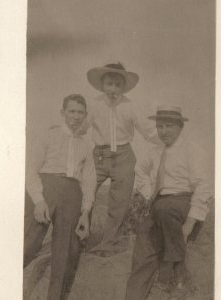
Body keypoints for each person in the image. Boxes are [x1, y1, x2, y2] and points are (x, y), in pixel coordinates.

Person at [125, 105, 213, 300]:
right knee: (144, 244)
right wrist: (149, 193)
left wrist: (189, 224)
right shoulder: (154, 149)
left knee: (166, 209)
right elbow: (139, 170)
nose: (163, 131)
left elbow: (204, 186)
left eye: (168, 126)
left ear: (180, 127)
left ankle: (175, 269)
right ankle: (134, 295)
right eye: (160, 126)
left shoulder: (192, 150)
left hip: (183, 202)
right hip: (159, 204)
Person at [24, 94, 97, 300]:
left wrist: (85, 213)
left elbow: (89, 180)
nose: (76, 116)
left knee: (66, 252)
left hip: (73, 194)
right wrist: (38, 201)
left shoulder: (86, 145)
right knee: (28, 243)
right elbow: (31, 170)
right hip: (47, 188)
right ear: (62, 112)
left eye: (80, 112)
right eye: (71, 111)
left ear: (85, 116)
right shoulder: (49, 136)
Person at [84, 62, 160, 256]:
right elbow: (81, 127)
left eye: (118, 85)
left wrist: (165, 140)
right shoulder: (93, 104)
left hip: (124, 156)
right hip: (99, 156)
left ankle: (109, 244)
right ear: (102, 85)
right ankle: (80, 239)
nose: (113, 89)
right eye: (109, 84)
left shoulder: (130, 106)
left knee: (118, 202)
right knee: (85, 193)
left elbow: (147, 129)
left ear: (123, 87)